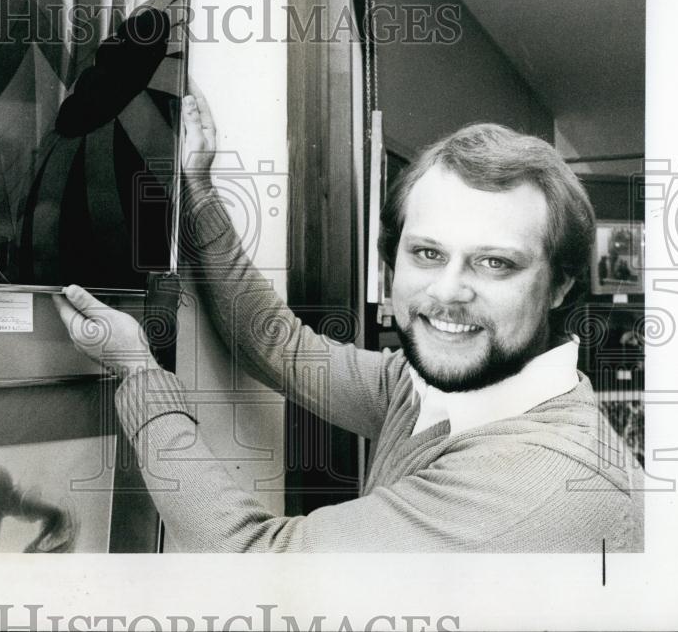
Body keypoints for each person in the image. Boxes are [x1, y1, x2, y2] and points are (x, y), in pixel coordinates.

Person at [52, 88, 644, 552]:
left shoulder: (542, 480)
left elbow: (256, 565)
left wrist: (137, 369)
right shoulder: (427, 386)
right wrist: (199, 190)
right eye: (427, 253)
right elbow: (278, 345)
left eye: (494, 263)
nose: (447, 292)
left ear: (561, 283)